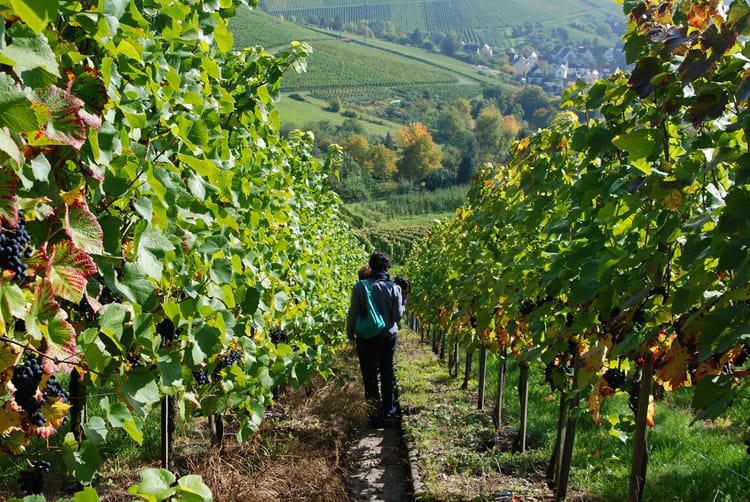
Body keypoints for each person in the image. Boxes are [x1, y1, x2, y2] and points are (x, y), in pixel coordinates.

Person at [347, 251, 406, 425]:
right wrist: (404, 299)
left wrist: (350, 334)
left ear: (371, 267)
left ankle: (373, 414)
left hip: (365, 338)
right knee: (387, 372)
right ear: (387, 267)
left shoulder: (360, 287)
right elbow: (397, 317)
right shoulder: (394, 288)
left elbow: (352, 314)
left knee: (369, 375)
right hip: (388, 337)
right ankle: (389, 411)